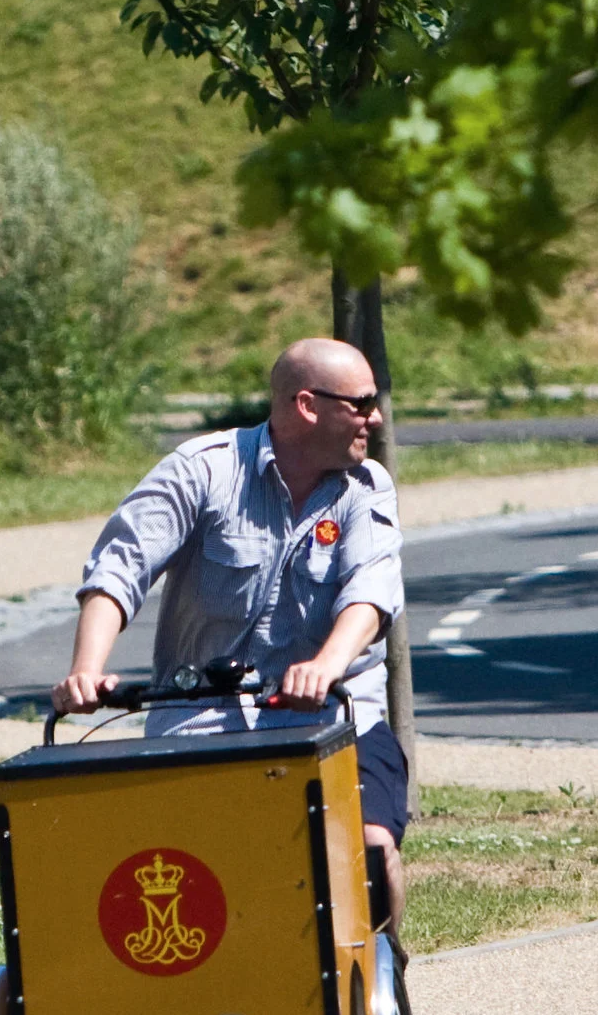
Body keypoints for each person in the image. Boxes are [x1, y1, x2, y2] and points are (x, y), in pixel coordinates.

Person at [50, 337, 414, 927]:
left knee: (369, 844)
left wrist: (325, 667)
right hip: (202, 722)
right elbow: (120, 567)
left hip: (334, 720)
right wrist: (86, 671)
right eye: (362, 404)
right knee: (178, 873)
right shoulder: (204, 469)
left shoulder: (365, 487)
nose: (375, 419)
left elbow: (370, 593)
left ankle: (381, 968)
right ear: (307, 406)